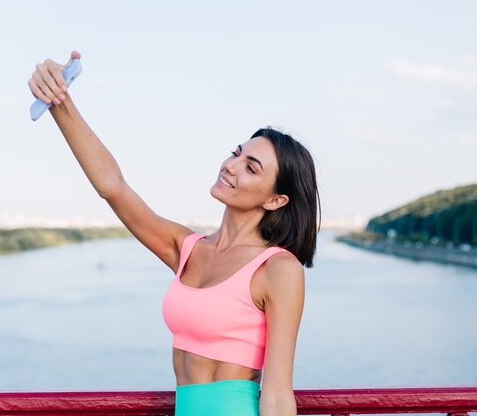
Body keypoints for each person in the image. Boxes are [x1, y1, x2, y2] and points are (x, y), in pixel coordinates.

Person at [28, 50, 320, 416]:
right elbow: (114, 187)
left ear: (277, 200)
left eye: (251, 167)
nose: (230, 166)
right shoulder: (188, 249)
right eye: (236, 153)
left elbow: (277, 394)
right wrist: (60, 101)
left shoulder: (278, 270)